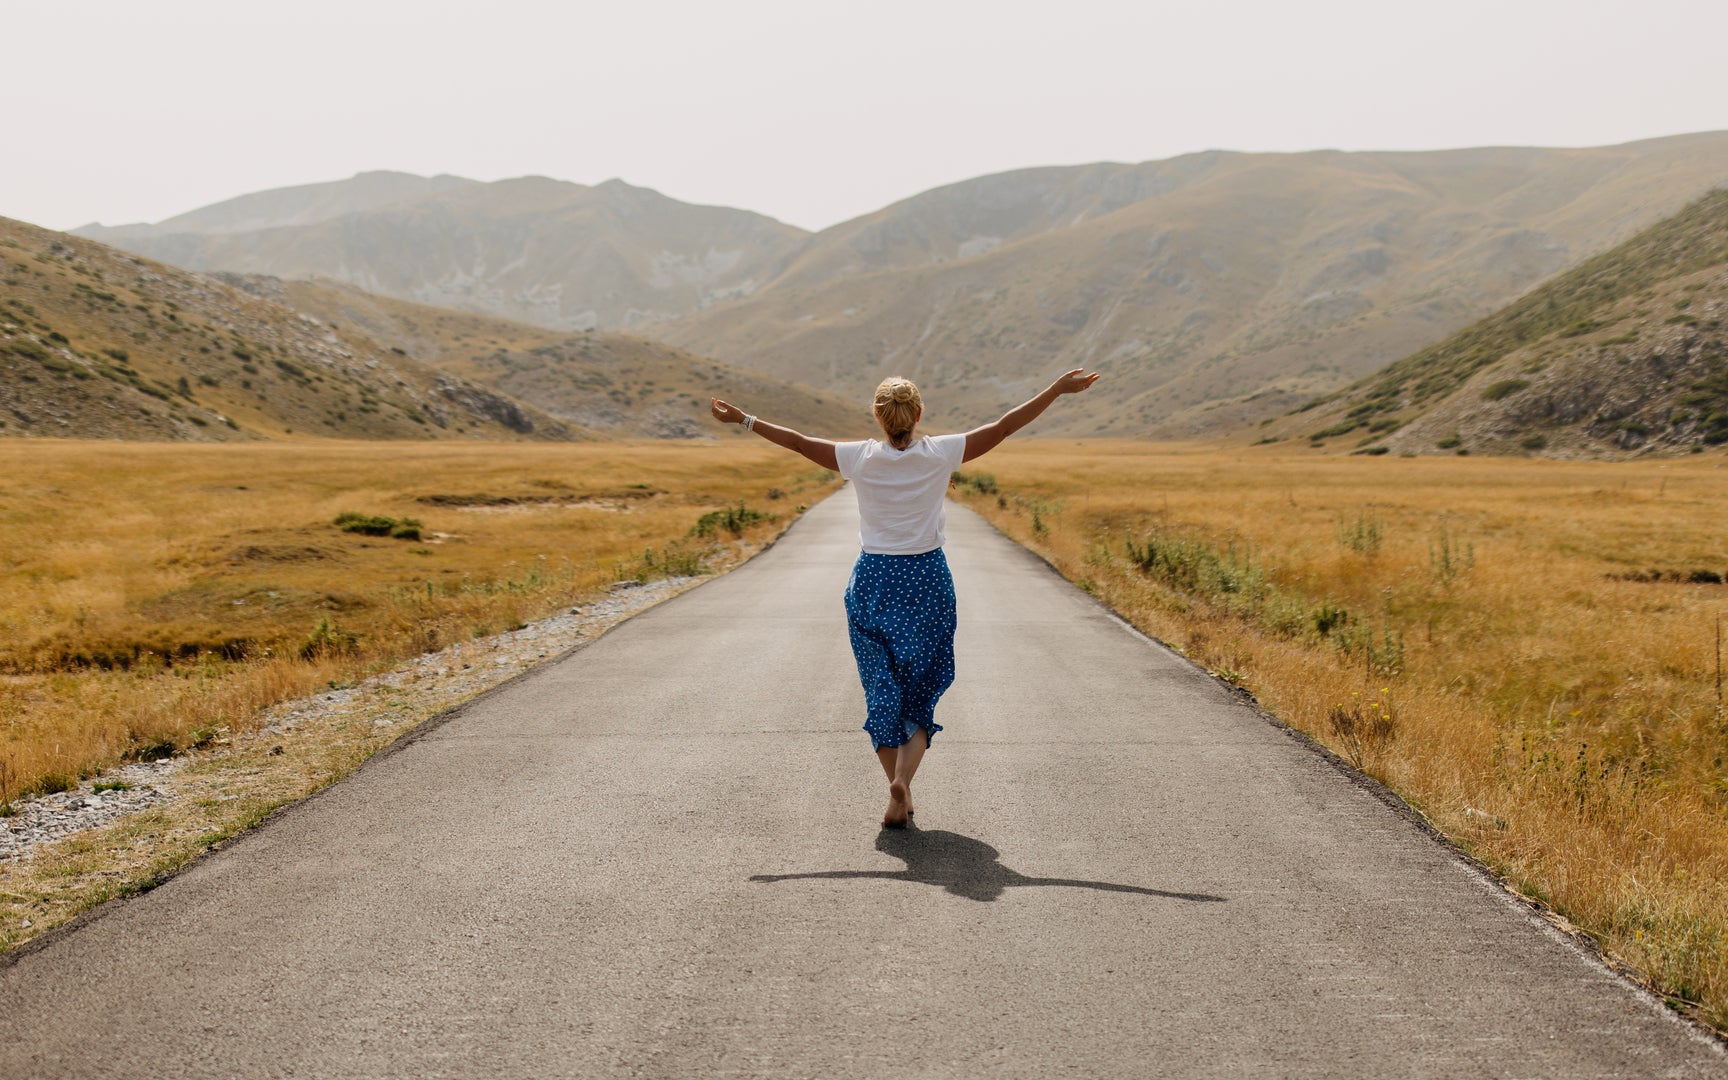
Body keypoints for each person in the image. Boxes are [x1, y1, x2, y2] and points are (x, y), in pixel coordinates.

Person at [710, 368, 1100, 828]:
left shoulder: (857, 458)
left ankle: (899, 791)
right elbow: (1004, 426)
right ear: (918, 414)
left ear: (879, 416)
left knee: (881, 689)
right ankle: (904, 782)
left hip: (874, 579)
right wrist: (1056, 389)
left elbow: (796, 440)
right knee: (919, 691)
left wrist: (744, 420)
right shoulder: (941, 453)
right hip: (927, 579)